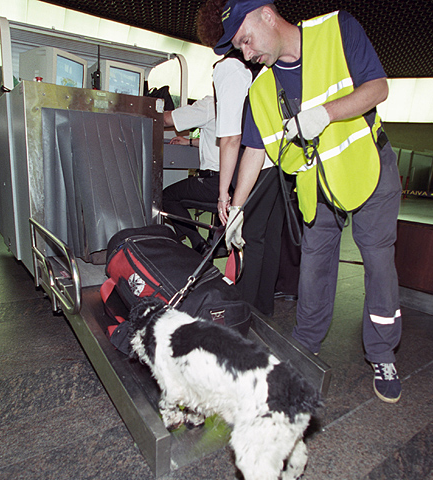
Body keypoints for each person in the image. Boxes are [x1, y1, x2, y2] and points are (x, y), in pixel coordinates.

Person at [215, 0, 403, 403]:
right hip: (316, 184)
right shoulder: (262, 88)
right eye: (239, 48)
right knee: (315, 266)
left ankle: (383, 352)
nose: (245, 53)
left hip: (369, 165)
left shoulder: (337, 30)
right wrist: (237, 207)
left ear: (267, 14)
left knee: (377, 260)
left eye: (246, 40)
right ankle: (304, 344)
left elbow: (378, 88)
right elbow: (255, 150)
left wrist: (326, 113)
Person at [197, 0, 285, 317]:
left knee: (246, 238)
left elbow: (231, 137)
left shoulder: (228, 68)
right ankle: (262, 308)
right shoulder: (265, 65)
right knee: (267, 237)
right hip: (277, 162)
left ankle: (244, 310)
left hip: (254, 163)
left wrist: (224, 193)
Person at [162, 95, 219, 255]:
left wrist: (144, 110)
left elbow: (167, 120)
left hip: (214, 182)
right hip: (235, 182)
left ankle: (198, 244)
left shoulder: (210, 104)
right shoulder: (241, 103)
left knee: (167, 196)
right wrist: (189, 142)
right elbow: (221, 140)